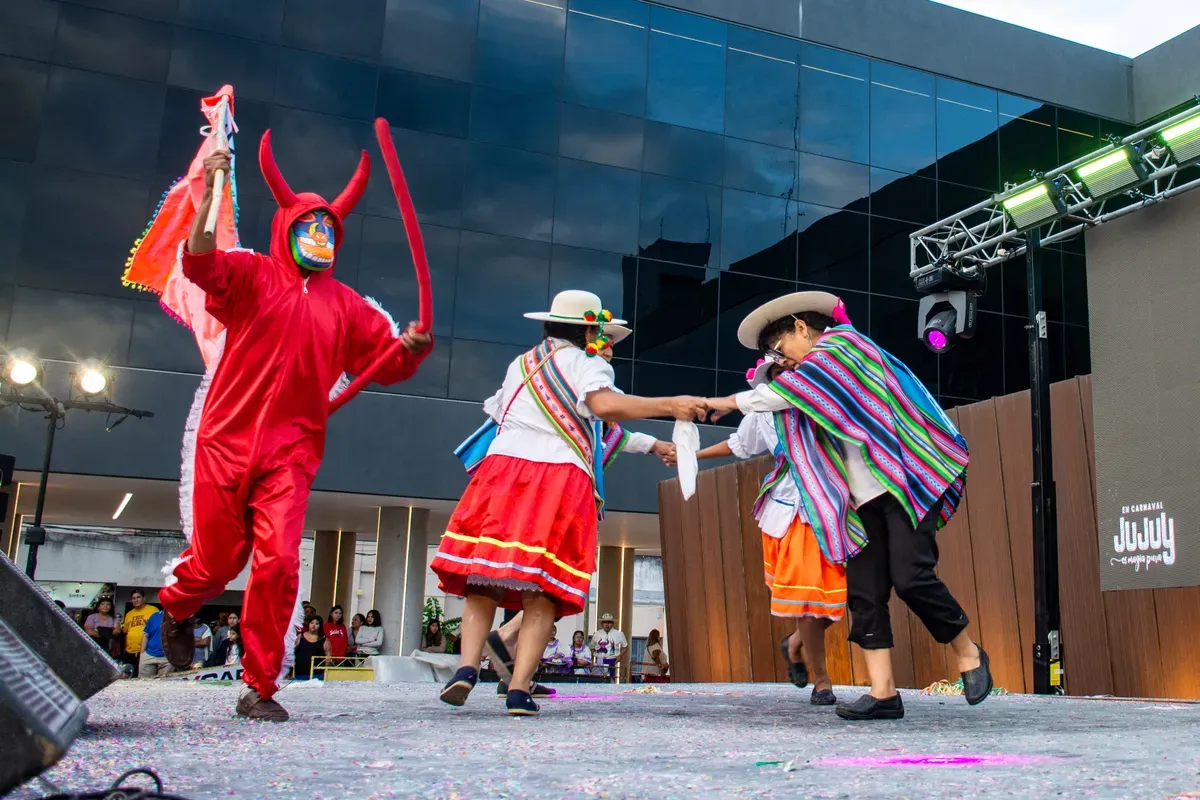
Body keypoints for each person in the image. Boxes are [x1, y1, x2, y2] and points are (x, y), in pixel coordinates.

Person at [155, 136, 433, 722]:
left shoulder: (348, 306)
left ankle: (259, 686)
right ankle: (178, 607)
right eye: (308, 226)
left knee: (279, 562)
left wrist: (412, 346)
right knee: (216, 563)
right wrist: (210, 189)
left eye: (328, 230)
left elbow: (389, 361)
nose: (319, 237)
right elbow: (200, 259)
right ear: (285, 226)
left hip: (292, 453)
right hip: (223, 442)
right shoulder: (251, 275)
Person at [704, 291, 991, 721]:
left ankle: (968, 653)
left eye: (783, 351)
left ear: (802, 327)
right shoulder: (809, 384)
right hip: (860, 502)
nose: (786, 364)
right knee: (864, 592)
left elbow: (796, 389)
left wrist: (722, 403)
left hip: (904, 483)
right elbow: (784, 416)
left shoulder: (844, 348)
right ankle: (883, 693)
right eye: (778, 360)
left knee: (912, 578)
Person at [432, 290, 708, 717]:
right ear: (589, 331)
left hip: (502, 470)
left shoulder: (521, 365)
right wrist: (668, 405)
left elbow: (598, 430)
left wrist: (653, 445)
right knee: (544, 589)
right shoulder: (586, 364)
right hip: (557, 476)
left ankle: (466, 668)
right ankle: (519, 690)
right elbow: (602, 407)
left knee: (482, 578)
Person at [695, 355, 844, 705]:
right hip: (792, 510)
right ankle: (821, 680)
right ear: (769, 380)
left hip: (835, 506)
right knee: (808, 600)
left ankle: (795, 643)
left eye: (792, 370)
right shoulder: (763, 413)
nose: (787, 377)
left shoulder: (822, 399)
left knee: (840, 597)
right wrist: (693, 456)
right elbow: (740, 446)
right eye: (778, 373)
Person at [120, 590, 157, 678]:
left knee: (142, 676)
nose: (136, 600)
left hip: (145, 651)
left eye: (138, 597)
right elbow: (125, 630)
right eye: (133, 598)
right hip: (130, 651)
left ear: (144, 598)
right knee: (128, 676)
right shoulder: (129, 613)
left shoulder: (153, 610)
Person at [590, 613, 628, 679]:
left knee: (610, 680)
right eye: (605, 622)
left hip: (612, 660)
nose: (607, 624)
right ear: (601, 623)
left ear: (613, 623)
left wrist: (620, 655)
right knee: (598, 680)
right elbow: (592, 647)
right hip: (599, 660)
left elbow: (625, 647)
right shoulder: (596, 634)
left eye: (609, 622)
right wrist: (594, 658)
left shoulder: (619, 634)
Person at [293, 615, 331, 680]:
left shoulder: (324, 640)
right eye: (312, 623)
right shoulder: (300, 636)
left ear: (320, 626)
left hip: (317, 675)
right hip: (299, 674)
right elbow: (292, 650)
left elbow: (328, 656)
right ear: (309, 624)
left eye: (317, 623)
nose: (314, 625)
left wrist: (325, 670)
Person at [138, 609, 173, 678]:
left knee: (163, 686)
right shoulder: (154, 616)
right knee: (143, 685)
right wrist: (142, 654)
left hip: (167, 658)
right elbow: (146, 635)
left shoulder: (180, 619)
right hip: (149, 656)